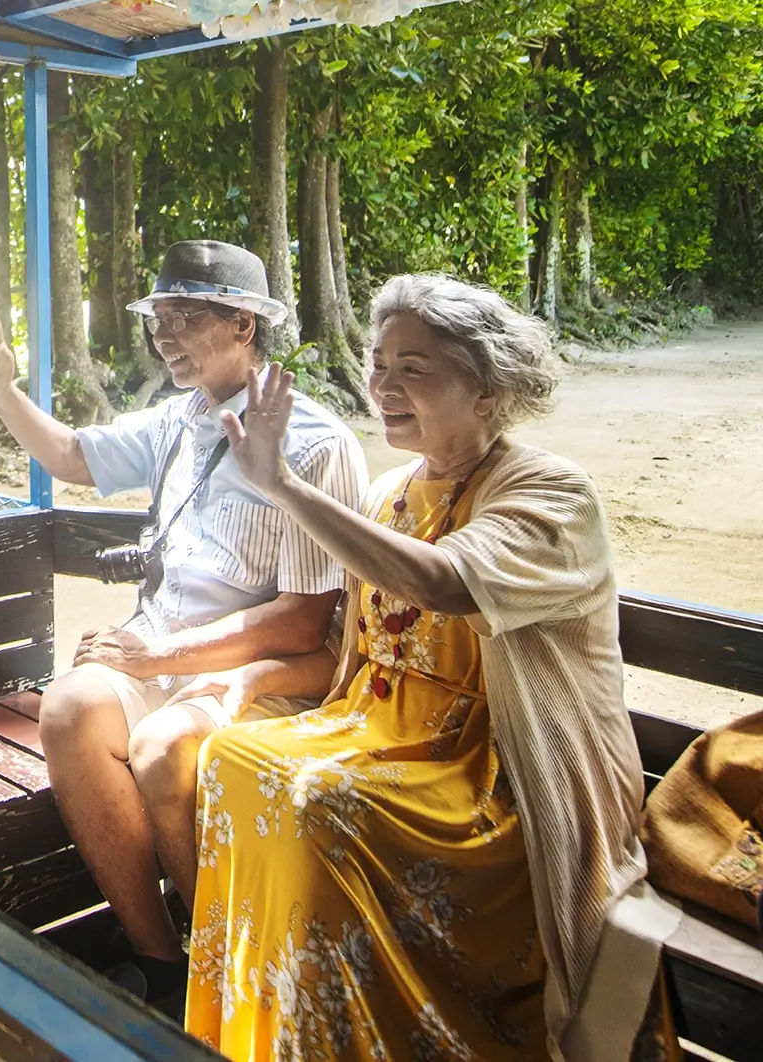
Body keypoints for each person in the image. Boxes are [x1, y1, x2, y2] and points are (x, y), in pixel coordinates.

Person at [189, 274, 678, 1061]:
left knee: (317, 801)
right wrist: (251, 680)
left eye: (413, 368)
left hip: (499, 776)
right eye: (379, 363)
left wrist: (281, 485)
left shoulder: (551, 493)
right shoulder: (388, 494)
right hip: (380, 738)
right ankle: (278, 1033)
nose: (383, 385)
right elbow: (362, 661)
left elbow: (441, 583)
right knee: (229, 755)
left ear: (487, 391)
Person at [0, 239, 367, 1005]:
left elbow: (305, 623)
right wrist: (0, 390)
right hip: (160, 658)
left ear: (245, 325)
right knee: (71, 706)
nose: (163, 335)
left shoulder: (315, 445)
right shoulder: (178, 422)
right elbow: (74, 456)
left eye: (185, 317)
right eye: (159, 318)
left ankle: (229, 982)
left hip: (251, 676)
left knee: (159, 745)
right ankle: (162, 966)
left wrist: (160, 655)